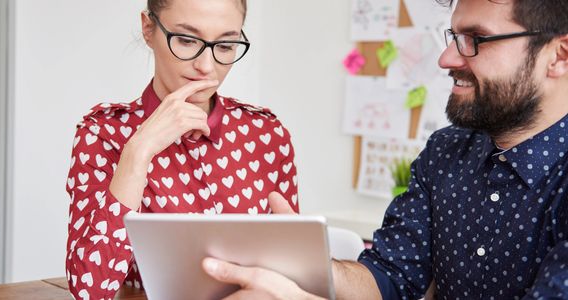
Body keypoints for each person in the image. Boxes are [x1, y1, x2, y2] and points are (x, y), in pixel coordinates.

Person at [202, 0, 568, 299]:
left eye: (476, 38)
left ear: (559, 56)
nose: (447, 58)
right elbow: (390, 277)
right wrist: (303, 266)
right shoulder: (446, 152)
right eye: (454, 36)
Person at [64, 0, 299, 298]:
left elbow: (290, 282)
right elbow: (90, 290)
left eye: (226, 46)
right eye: (187, 40)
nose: (206, 66)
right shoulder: (103, 134)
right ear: (148, 28)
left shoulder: (267, 134)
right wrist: (138, 152)